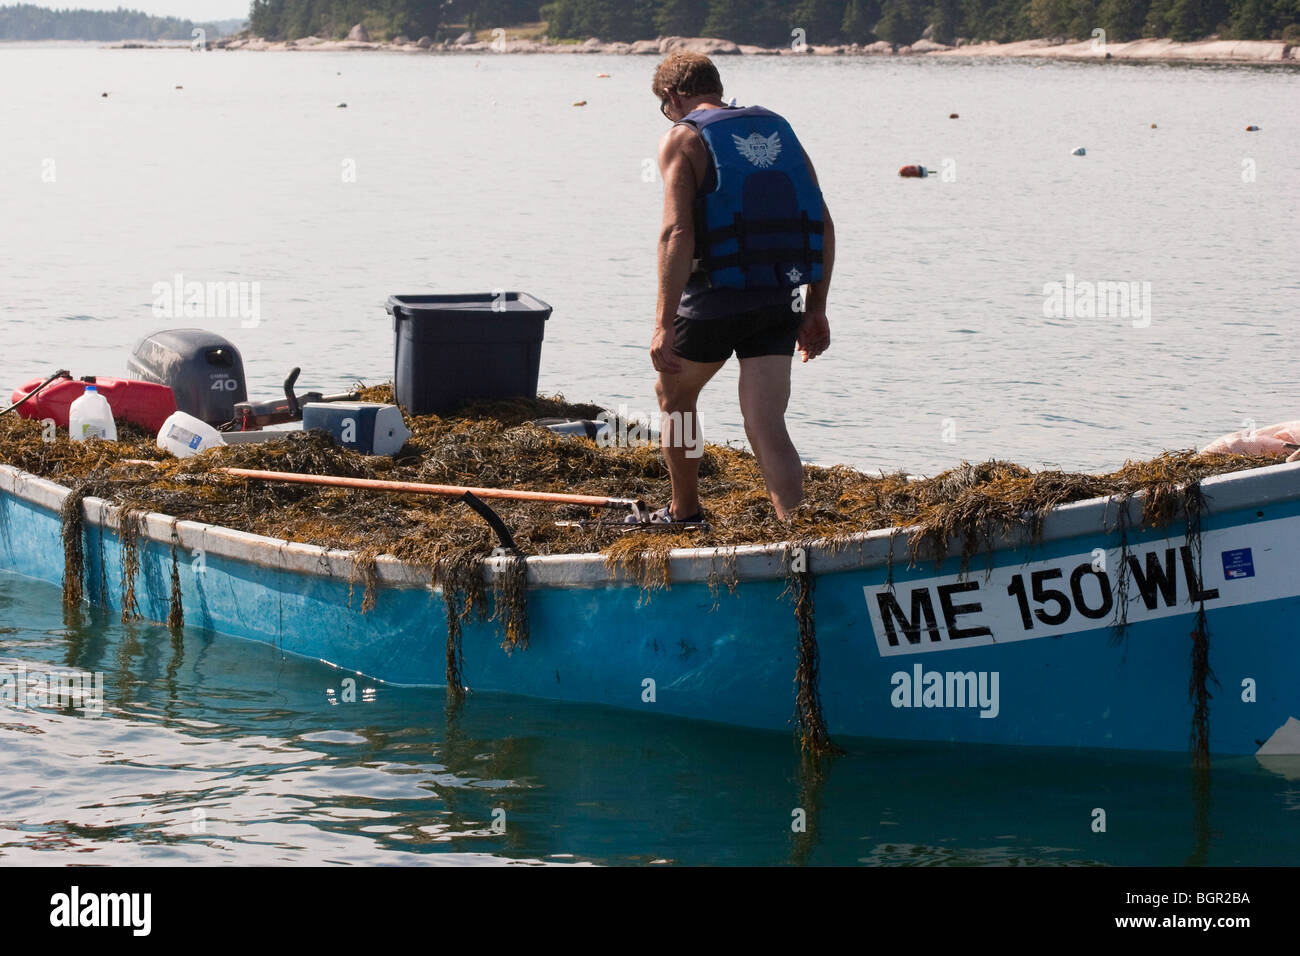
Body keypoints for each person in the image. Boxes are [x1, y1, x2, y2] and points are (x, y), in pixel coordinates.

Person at [637, 51, 833, 525]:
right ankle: (796, 526)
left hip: (714, 301)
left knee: (675, 396)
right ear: (716, 87)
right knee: (766, 421)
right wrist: (816, 309)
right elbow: (822, 223)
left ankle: (684, 511)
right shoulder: (777, 128)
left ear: (672, 97)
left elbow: (676, 234)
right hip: (777, 298)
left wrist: (662, 324)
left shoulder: (683, 137)